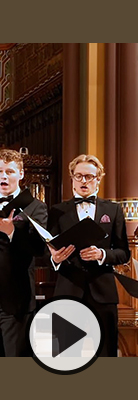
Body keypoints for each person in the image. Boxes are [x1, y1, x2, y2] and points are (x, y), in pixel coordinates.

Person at [47, 154, 130, 357]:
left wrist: (102, 254)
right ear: (72, 178)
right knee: (66, 354)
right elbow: (46, 250)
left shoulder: (113, 210)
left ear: (99, 179)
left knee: (106, 351)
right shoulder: (57, 211)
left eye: (90, 177)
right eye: (79, 176)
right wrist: (55, 259)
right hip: (68, 289)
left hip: (103, 291)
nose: (84, 181)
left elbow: (123, 253)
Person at [0, 149, 47, 356]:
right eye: (0, 171)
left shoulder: (35, 207)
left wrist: (12, 233)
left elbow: (39, 249)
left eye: (9, 171)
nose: (3, 176)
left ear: (21, 174)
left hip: (15, 299)